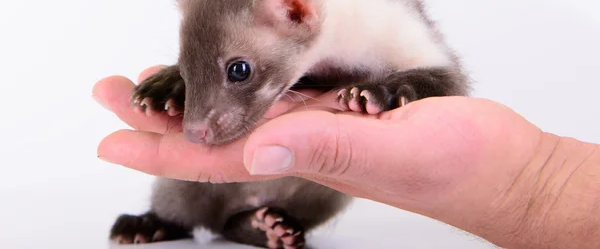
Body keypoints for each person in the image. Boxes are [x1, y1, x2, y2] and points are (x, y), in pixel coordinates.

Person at [93, 66, 599, 249]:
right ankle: (169, 220)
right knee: (194, 155)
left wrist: (531, 184)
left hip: (305, 182)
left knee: (319, 170)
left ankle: (251, 224)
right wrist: (534, 182)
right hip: (228, 168)